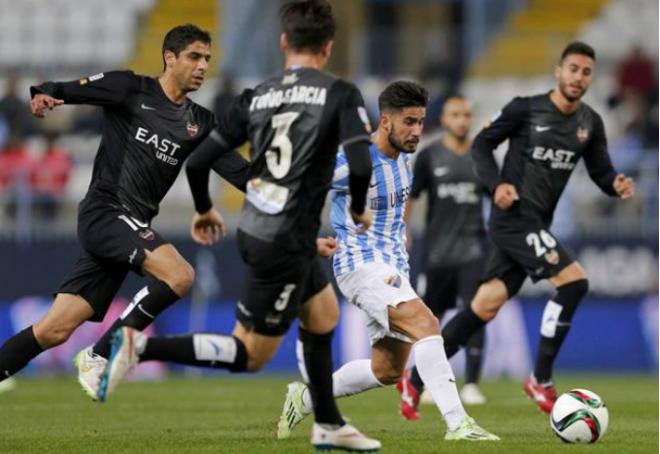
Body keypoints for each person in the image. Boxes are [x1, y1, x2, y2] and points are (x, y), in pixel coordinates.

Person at [103, 1, 380, 451]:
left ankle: (328, 422)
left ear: (284, 42)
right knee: (250, 354)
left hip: (261, 228)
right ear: (328, 48)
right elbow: (363, 162)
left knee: (324, 314)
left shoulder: (257, 96)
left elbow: (199, 160)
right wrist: (359, 208)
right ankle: (138, 347)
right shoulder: (340, 93)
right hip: (284, 240)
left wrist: (204, 208)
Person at [0, 24, 248, 402]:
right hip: (105, 211)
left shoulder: (201, 122)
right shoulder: (132, 89)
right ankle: (101, 354)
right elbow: (70, 88)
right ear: (170, 57)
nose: (202, 66)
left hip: (130, 226)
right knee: (179, 275)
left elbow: (241, 174)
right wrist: (45, 93)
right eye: (194, 57)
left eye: (207, 59)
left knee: (54, 329)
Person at [277, 81, 499, 442]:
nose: (416, 131)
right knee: (427, 324)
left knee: (388, 370)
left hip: (395, 267)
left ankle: (306, 396)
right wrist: (305, 241)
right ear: (385, 122)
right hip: (360, 265)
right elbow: (297, 191)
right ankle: (459, 424)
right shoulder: (351, 160)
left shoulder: (407, 157)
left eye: (421, 121)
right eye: (409, 122)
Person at [437, 41, 636, 413]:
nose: (578, 77)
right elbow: (482, 144)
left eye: (586, 72)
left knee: (484, 305)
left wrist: (615, 184)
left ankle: (416, 381)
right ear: (558, 72)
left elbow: (601, 171)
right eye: (573, 69)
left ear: (592, 78)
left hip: (535, 225)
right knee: (575, 282)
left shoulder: (589, 123)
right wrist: (496, 185)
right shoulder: (524, 109)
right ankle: (540, 378)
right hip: (513, 219)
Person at [396, 96, 488, 421]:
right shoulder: (430, 155)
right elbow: (413, 196)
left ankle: (472, 384)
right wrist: (402, 230)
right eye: (455, 114)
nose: (462, 120)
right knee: (431, 322)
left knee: (476, 312)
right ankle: (422, 383)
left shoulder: (482, 155)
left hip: (475, 249)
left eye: (466, 114)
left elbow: (502, 197)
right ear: (445, 119)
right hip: (438, 253)